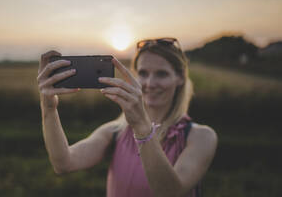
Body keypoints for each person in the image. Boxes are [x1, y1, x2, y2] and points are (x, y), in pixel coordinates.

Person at [37, 38, 218, 197]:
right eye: (143, 73)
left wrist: (141, 126)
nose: (149, 83)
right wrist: (48, 107)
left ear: (180, 79)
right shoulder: (115, 131)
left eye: (161, 74)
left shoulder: (200, 137)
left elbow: (169, 192)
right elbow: (63, 163)